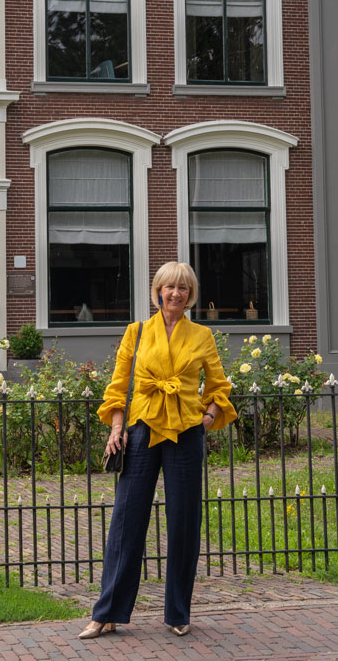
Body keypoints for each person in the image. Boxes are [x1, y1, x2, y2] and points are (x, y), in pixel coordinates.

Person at [79, 261, 236, 640]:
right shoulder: (137, 332)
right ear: (158, 292)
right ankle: (107, 613)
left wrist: (207, 419)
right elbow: (118, 387)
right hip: (142, 431)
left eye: (183, 288)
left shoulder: (202, 336)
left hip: (186, 433)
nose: (176, 293)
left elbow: (218, 387)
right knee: (126, 521)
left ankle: (178, 613)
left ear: (190, 295)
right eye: (170, 287)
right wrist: (116, 429)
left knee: (184, 523)